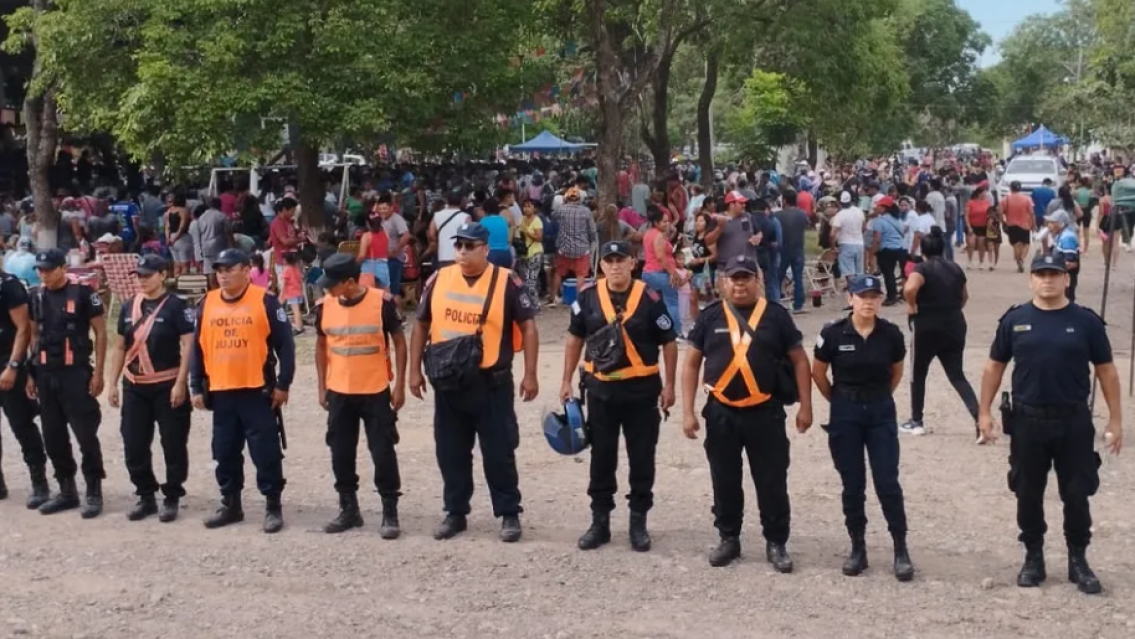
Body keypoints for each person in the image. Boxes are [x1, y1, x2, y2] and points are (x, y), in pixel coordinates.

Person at [978, 253, 1123, 595]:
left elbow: (1107, 372)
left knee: (1076, 493)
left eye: (1054, 274)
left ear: (1066, 280)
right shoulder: (1015, 320)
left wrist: (1116, 419)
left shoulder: (1086, 322)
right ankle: (1033, 557)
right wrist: (983, 413)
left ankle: (1078, 559)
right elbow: (993, 367)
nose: (1048, 280)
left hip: (1073, 421)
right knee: (1027, 492)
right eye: (1041, 274)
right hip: (1028, 421)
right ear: (1031, 280)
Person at [409, 222, 539, 542]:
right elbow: (421, 325)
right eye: (459, 246)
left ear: (485, 249)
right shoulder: (439, 279)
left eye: (470, 246)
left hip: (490, 383)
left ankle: (509, 513)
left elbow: (530, 327)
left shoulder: (507, 281)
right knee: (451, 451)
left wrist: (531, 373)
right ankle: (455, 512)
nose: (463, 252)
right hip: (449, 382)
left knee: (499, 451)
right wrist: (413, 371)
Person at [681, 255, 813, 568]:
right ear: (724, 282)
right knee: (724, 478)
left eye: (746, 278)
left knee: (771, 480)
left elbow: (799, 360)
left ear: (757, 281)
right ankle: (729, 538)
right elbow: (690, 364)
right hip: (721, 412)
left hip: (765, 412)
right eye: (734, 278)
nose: (740, 284)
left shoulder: (776, 316)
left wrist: (805, 406)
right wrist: (688, 411)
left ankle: (776, 542)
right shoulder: (710, 316)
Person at [560, 241, 679, 552]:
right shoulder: (587, 298)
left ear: (632, 263)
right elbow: (574, 338)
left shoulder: (650, 299)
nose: (615, 266)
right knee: (602, 458)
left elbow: (669, 341)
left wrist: (669, 386)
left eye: (621, 260)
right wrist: (565, 380)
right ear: (602, 266)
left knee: (642, 457)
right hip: (601, 391)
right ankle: (600, 522)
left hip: (642, 392)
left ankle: (638, 521)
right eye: (609, 261)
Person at [811, 274, 913, 581]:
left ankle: (900, 548)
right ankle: (857, 547)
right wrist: (840, 400)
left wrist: (876, 398)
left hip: (880, 410)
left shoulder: (891, 335)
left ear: (881, 300)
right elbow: (819, 373)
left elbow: (896, 373)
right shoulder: (832, 334)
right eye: (862, 295)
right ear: (849, 299)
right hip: (846, 411)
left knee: (887, 481)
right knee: (852, 484)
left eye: (874, 296)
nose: (868, 301)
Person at [190, 248, 296, 534]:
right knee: (224, 451)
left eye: (229, 269)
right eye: (219, 270)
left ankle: (273, 505)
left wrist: (284, 384)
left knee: (265, 452)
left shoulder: (265, 301)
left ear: (246, 269)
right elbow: (197, 349)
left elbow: (286, 345)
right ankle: (231, 504)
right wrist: (195, 385)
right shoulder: (207, 303)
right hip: (221, 392)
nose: (222, 275)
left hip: (256, 391)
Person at [315, 254, 407, 538]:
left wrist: (400, 384)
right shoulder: (325, 307)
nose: (327, 289)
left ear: (350, 282)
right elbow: (321, 346)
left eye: (333, 284)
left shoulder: (381, 304)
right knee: (340, 452)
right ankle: (349, 509)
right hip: (339, 392)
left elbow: (400, 343)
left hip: (375, 391)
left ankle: (389, 512)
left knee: (382, 452)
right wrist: (321, 386)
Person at [106, 255, 194, 522]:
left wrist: (181, 383)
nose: (143, 280)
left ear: (162, 274)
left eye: (148, 274)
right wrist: (112, 383)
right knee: (133, 442)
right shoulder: (129, 306)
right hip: (135, 385)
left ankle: (172, 495)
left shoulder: (177, 307)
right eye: (139, 275)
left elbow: (188, 346)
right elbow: (120, 346)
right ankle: (145, 494)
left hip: (167, 384)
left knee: (173, 443)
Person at [27, 248, 108, 518]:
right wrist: (30, 373)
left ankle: (94, 490)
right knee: (53, 436)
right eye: (40, 270)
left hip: (75, 374)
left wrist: (98, 375)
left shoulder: (84, 294)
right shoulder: (36, 296)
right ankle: (66, 490)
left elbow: (101, 332)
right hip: (45, 374)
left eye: (49, 269)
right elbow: (33, 333)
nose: (44, 274)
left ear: (63, 268)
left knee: (85, 434)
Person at [900, 228, 980, 438]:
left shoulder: (922, 268)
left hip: (926, 324)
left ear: (923, 250)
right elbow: (965, 297)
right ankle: (979, 417)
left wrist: (911, 305)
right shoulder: (955, 268)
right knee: (957, 375)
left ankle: (916, 420)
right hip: (954, 323)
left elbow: (909, 289)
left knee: (918, 373)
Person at [0, 261, 50, 508]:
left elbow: (24, 330)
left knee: (21, 423)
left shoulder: (9, 287)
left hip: (8, 362)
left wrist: (13, 365)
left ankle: (39, 481)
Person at [641, 208, 682, 337]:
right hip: (660, 274)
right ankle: (676, 332)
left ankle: (655, 331)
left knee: (654, 305)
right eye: (664, 222)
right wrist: (672, 273)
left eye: (668, 221)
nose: (667, 224)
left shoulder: (649, 233)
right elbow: (660, 257)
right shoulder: (658, 236)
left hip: (648, 273)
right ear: (656, 222)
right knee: (672, 303)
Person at [775, 190, 810, 313]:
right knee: (798, 278)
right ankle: (798, 304)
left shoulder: (778, 215)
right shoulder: (802, 214)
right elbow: (807, 225)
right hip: (798, 249)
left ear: (784, 200)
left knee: (778, 277)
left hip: (783, 249)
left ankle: (776, 301)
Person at [868, 196, 907, 306]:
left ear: (884, 208)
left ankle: (891, 297)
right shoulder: (898, 220)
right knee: (896, 273)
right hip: (899, 249)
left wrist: (872, 253)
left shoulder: (879, 221)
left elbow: (877, 239)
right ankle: (896, 294)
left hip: (886, 250)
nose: (876, 207)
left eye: (879, 206)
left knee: (888, 273)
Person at [1044, 210, 1080, 303]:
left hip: (1066, 277)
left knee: (1065, 301)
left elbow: (1071, 263)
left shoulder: (1067, 237)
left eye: (1052, 222)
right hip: (1061, 275)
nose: (1049, 225)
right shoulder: (1058, 236)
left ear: (1061, 224)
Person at [516, 200, 545, 309]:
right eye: (524, 206)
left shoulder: (537, 221)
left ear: (534, 208)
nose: (526, 209)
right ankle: (529, 303)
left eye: (529, 206)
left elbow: (539, 237)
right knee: (524, 279)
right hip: (524, 253)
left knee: (531, 280)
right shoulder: (521, 219)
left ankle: (536, 305)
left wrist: (527, 232)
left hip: (535, 252)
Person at [1002, 181, 1036, 273]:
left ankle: (1018, 260)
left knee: (1015, 243)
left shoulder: (1006, 199)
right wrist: (1034, 224)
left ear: (1011, 188)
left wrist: (1003, 222)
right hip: (1025, 225)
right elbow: (1032, 213)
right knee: (1026, 243)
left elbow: (1000, 212)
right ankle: (1021, 258)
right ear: (1020, 188)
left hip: (1011, 224)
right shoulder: (1027, 199)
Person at [832, 191, 866, 279]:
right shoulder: (859, 212)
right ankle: (859, 290)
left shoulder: (840, 215)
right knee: (859, 271)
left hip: (845, 244)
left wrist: (833, 247)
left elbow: (832, 234)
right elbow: (864, 228)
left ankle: (853, 289)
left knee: (849, 272)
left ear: (840, 203)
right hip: (859, 244)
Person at [356, 204, 391, 289]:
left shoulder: (366, 236)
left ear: (367, 223)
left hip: (369, 269)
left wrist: (354, 264)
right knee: (385, 295)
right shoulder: (386, 234)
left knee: (367, 295)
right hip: (383, 267)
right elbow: (388, 252)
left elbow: (361, 256)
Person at [165, 193, 194, 276]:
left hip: (171, 238)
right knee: (185, 265)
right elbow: (182, 227)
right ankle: (184, 285)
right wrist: (176, 238)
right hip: (182, 238)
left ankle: (176, 284)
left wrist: (168, 238)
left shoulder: (168, 212)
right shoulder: (184, 210)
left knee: (177, 265)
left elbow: (167, 226)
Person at [965, 184, 992, 270]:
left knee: (981, 245)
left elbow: (989, 214)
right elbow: (966, 215)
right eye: (984, 193)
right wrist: (969, 227)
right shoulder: (970, 202)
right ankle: (970, 261)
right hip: (972, 226)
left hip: (983, 227)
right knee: (971, 243)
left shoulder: (987, 202)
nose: (985, 195)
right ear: (979, 194)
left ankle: (981, 262)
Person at [480, 199, 513, 268]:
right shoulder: (503, 220)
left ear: (485, 210)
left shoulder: (483, 221)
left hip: (491, 255)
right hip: (506, 254)